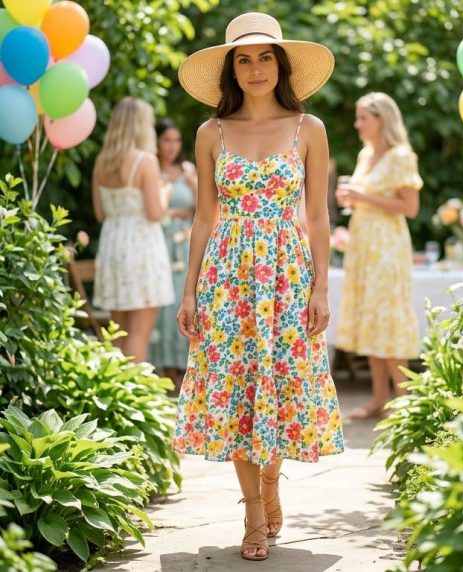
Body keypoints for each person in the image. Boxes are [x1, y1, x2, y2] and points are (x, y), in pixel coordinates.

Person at [173, 12, 345, 561]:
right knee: (235, 391)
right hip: (226, 276)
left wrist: (320, 288)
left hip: (287, 274)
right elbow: (203, 217)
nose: (255, 69)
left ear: (281, 64)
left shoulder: (308, 129)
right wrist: (189, 291)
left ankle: (271, 484)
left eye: (265, 57)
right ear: (231, 70)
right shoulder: (210, 133)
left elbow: (317, 216)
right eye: (243, 59)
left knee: (278, 385)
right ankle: (252, 513)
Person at [334, 92, 422, 420]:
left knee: (388, 316)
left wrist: (364, 196)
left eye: (363, 118)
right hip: (363, 244)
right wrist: (355, 200)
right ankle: (379, 399)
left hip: (388, 247)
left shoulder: (401, 156)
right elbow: (365, 200)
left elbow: (410, 207)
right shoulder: (364, 155)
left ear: (381, 119)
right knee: (370, 316)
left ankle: (404, 401)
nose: (357, 124)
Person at [92, 97, 175, 364]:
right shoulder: (145, 161)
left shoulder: (102, 161)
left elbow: (100, 213)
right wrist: (166, 191)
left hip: (112, 245)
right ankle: (133, 398)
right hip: (140, 247)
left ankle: (114, 395)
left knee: (117, 330)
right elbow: (155, 212)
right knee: (140, 332)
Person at [148, 118, 198, 386]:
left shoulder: (186, 170)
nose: (172, 146)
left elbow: (203, 209)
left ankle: (182, 364)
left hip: (183, 242)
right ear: (157, 141)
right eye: (167, 140)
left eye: (176, 140)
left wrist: (194, 186)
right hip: (157, 239)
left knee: (183, 297)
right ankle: (158, 363)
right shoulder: (150, 168)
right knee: (161, 303)